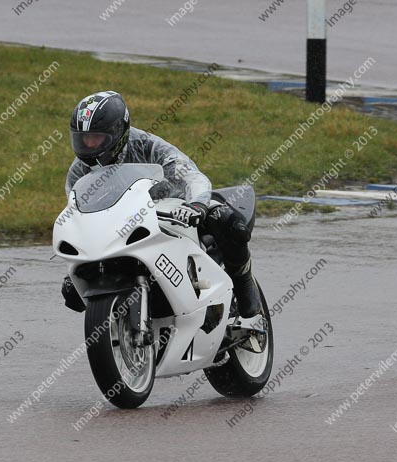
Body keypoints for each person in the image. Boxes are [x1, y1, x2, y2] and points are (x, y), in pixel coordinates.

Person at [60, 90, 261, 317]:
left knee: (227, 222)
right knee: (72, 290)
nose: (89, 145)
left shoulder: (148, 145)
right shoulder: (78, 171)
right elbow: (79, 212)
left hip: (174, 209)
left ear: (117, 132)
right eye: (83, 138)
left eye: (96, 138)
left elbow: (191, 175)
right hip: (122, 223)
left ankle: (244, 284)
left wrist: (197, 205)